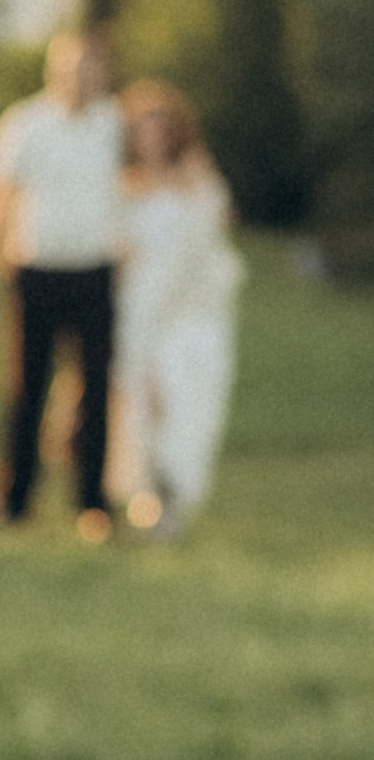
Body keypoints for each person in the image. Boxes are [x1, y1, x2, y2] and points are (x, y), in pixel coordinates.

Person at [0, 24, 129, 535]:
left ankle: (92, 502)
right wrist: (1, 258)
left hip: (95, 272)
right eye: (71, 67)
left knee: (95, 389)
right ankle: (13, 499)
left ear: (103, 71)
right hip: (36, 271)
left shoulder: (115, 124)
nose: (80, 77)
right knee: (25, 390)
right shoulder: (25, 124)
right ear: (53, 69)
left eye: (90, 67)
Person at [115, 77, 242, 538]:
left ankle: (175, 500)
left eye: (160, 124)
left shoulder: (198, 180)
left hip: (191, 313)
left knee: (187, 402)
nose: (151, 135)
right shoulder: (119, 186)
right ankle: (146, 498)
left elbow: (213, 238)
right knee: (140, 405)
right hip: (138, 311)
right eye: (141, 125)